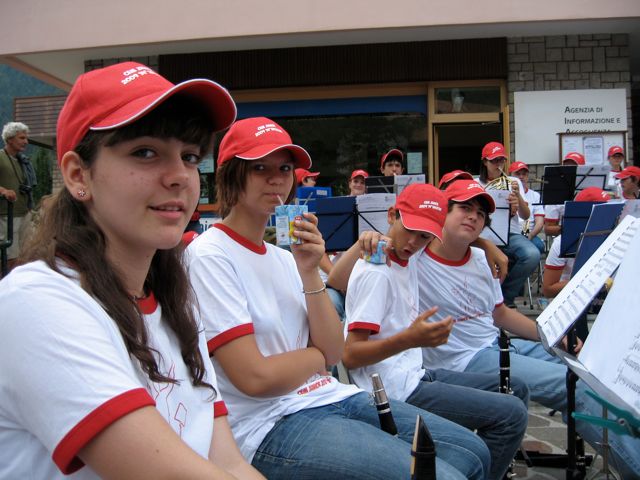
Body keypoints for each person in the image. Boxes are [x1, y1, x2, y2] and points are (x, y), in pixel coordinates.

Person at [0, 61, 265, 479]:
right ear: (78, 174)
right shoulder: (35, 303)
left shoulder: (176, 303)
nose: (180, 176)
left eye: (190, 156)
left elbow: (228, 461)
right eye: (145, 152)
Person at [187, 117, 489, 480]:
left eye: (285, 168)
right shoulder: (210, 255)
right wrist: (315, 357)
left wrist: (309, 270)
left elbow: (332, 351)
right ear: (231, 175)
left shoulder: (285, 258)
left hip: (329, 394)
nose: (276, 179)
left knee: (473, 453)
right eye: (259, 168)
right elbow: (256, 377)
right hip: (268, 422)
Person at [418, 179, 640, 478]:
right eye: (464, 208)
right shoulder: (417, 258)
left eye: (480, 214)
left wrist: (553, 337)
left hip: (497, 344)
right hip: (464, 360)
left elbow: (500, 314)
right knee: (577, 388)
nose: (473, 216)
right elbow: (391, 240)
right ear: (444, 212)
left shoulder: (482, 258)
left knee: (593, 368)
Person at [341, 183, 528, 480]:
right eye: (410, 230)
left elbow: (455, 237)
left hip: (413, 372)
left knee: (516, 388)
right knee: (511, 415)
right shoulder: (377, 272)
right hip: (394, 388)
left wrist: (486, 244)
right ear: (391, 215)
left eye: (425, 236)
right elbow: (350, 355)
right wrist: (409, 340)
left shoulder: (406, 258)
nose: (414, 242)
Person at [477, 141, 538, 308]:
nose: (498, 164)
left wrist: (518, 199)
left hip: (510, 233)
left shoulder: (513, 182)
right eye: (494, 160)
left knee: (532, 254)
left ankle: (504, 297)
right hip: (483, 234)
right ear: (485, 162)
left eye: (501, 160)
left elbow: (525, 216)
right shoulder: (476, 184)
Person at [542, 187, 610, 298]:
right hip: (571, 297)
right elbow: (548, 290)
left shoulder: (612, 236)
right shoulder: (561, 243)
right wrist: (587, 281)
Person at [0, 121, 36, 269]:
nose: (26, 142)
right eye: (21, 138)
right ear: (9, 139)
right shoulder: (1, 157)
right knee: (9, 258)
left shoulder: (23, 161)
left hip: (24, 212)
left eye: (26, 138)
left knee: (26, 256)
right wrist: (3, 191)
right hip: (6, 215)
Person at [544, 152, 586, 237]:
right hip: (564, 236)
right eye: (566, 167)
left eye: (573, 167)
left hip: (589, 235)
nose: (569, 170)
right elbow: (548, 230)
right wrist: (569, 228)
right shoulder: (554, 193)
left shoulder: (591, 190)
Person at [508, 161, 545, 254]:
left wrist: (531, 235)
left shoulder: (535, 195)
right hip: (511, 232)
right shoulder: (506, 193)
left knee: (539, 246)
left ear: (527, 176)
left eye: (524, 174)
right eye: (517, 174)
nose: (521, 177)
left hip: (527, 232)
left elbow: (540, 222)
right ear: (510, 176)